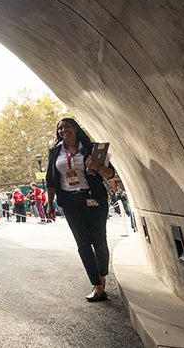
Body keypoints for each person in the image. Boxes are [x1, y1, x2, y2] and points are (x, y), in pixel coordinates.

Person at [45, 118, 115, 303]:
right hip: (69, 202)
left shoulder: (92, 149)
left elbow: (110, 174)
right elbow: (50, 181)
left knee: (99, 240)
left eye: (66, 127)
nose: (63, 130)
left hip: (94, 198)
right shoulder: (55, 152)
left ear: (75, 128)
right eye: (59, 128)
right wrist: (50, 204)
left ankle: (101, 276)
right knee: (82, 243)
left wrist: (97, 167)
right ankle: (97, 286)